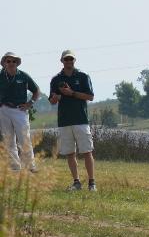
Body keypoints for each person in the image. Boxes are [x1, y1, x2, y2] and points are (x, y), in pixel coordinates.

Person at [48, 50, 96, 190]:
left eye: (71, 59)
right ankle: (76, 182)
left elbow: (90, 96)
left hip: (81, 119)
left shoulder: (83, 76)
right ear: (61, 61)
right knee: (70, 153)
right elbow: (51, 101)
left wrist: (72, 93)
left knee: (87, 151)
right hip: (64, 121)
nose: (68, 61)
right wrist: (55, 98)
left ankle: (92, 183)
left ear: (74, 60)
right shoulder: (55, 79)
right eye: (66, 59)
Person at [0, 52, 40, 173]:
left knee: (24, 138)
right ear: (4, 63)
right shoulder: (0, 76)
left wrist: (30, 103)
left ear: (17, 63)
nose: (11, 63)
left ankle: (30, 166)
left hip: (20, 110)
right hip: (4, 110)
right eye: (8, 61)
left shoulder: (23, 76)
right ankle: (14, 166)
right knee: (8, 139)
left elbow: (36, 90)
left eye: (14, 61)